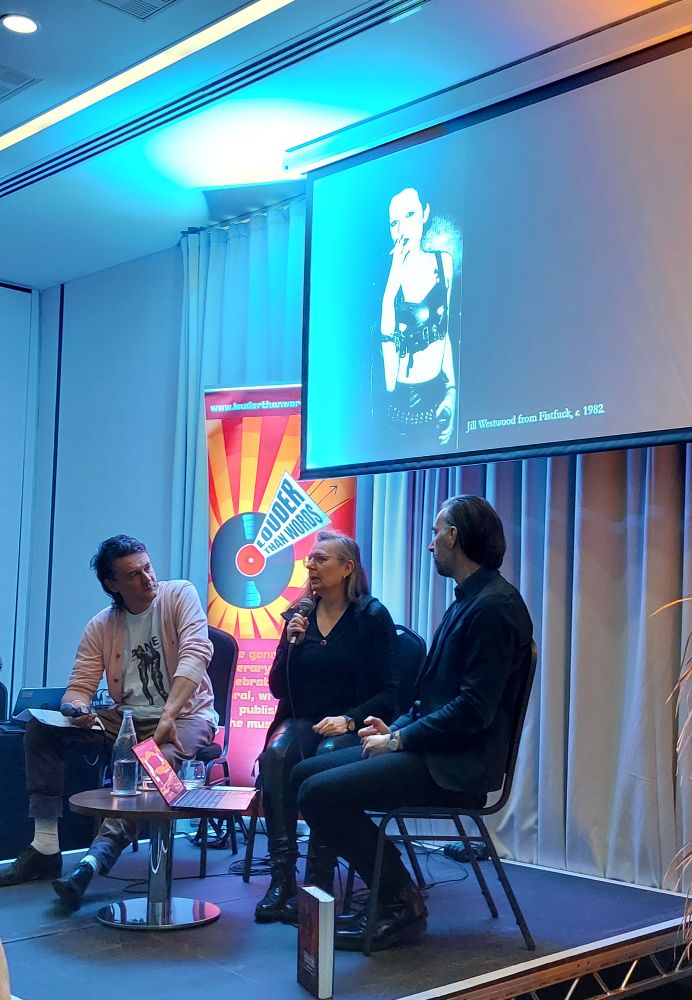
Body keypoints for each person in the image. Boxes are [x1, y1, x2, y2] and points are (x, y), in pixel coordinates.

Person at [290, 495, 533, 951]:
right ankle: (390, 892)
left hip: (458, 764)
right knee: (304, 773)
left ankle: (399, 899)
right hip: (436, 749)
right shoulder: (472, 600)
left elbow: (472, 710)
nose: (430, 545)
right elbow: (429, 699)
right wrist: (392, 728)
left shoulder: (493, 607)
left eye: (436, 533)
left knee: (317, 792)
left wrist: (399, 739)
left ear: (454, 537)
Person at [0, 535, 217, 912]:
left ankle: (93, 861)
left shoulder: (179, 595)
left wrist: (168, 715)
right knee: (40, 727)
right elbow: (79, 687)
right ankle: (46, 847)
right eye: (134, 574)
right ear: (112, 584)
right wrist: (76, 708)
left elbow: (196, 653)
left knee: (155, 763)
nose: (148, 578)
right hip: (124, 719)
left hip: (183, 716)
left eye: (148, 567)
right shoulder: (101, 625)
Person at [255, 530, 397, 924]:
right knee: (278, 754)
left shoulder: (370, 617)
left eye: (321, 559)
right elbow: (277, 688)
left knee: (329, 757)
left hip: (354, 721)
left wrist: (349, 719)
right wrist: (293, 645)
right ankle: (281, 878)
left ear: (347, 568)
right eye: (310, 560)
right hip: (304, 719)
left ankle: (316, 884)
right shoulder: (298, 615)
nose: (311, 566)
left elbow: (391, 692)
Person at [380, 186, 457, 449]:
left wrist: (452, 392)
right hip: (401, 408)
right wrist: (390, 292)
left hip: (437, 397)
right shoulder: (386, 281)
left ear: (425, 213)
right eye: (394, 222)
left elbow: (444, 332)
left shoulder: (443, 262)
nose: (402, 229)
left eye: (410, 214)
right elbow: (389, 380)